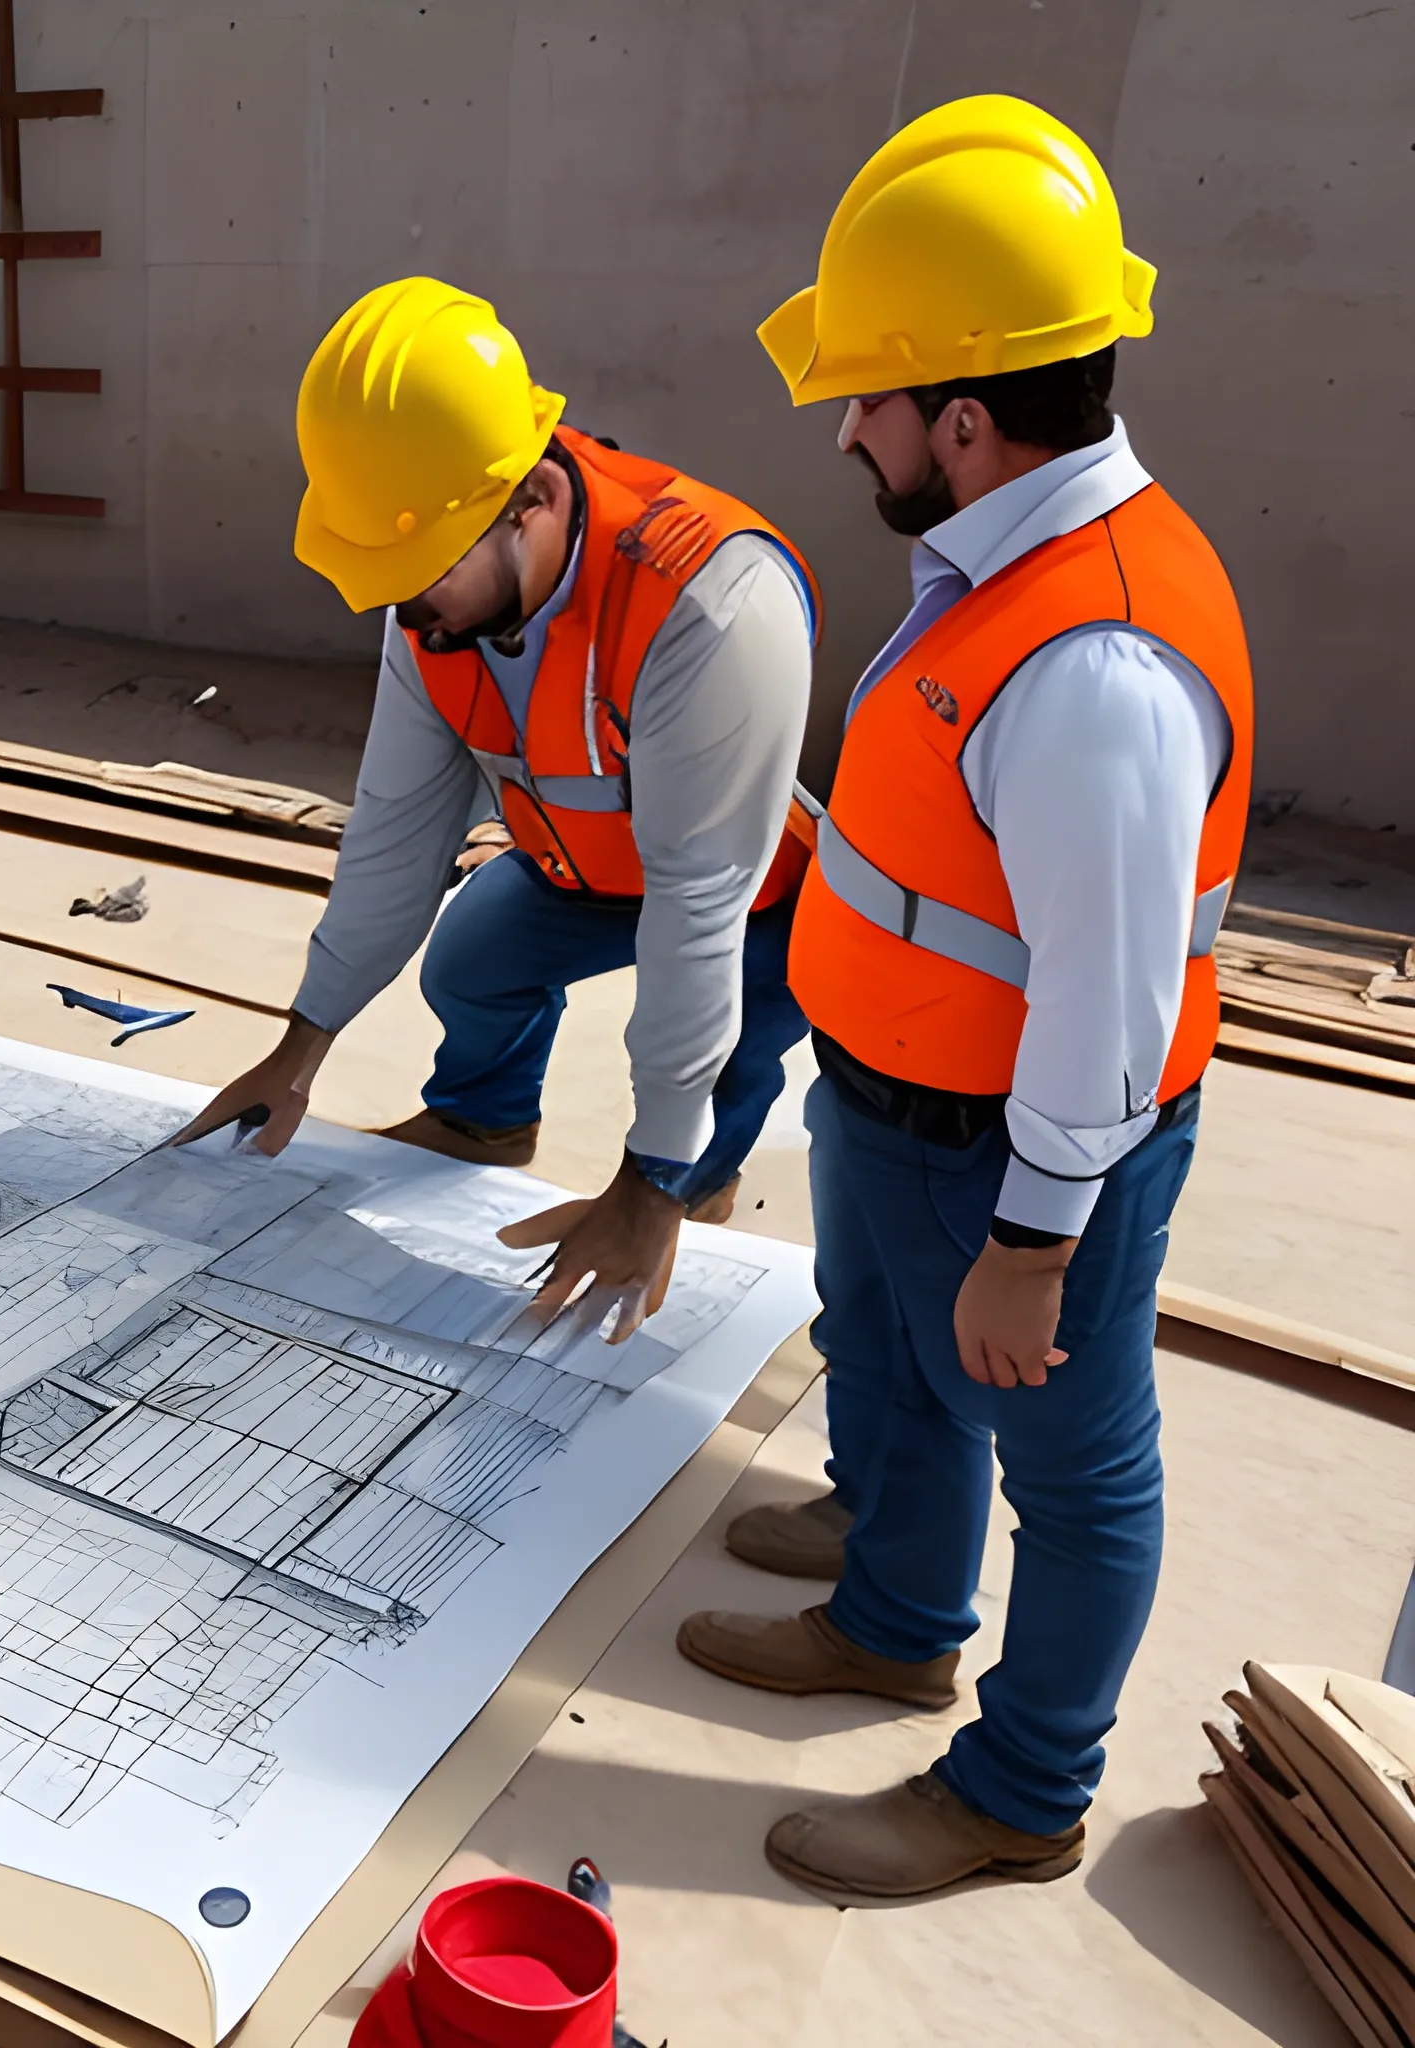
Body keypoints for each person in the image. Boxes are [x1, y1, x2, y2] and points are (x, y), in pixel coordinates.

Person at [677, 96, 1253, 1901]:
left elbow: (1100, 996)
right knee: (891, 1379)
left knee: (1070, 1474)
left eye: (864, 398)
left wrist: (1029, 1240)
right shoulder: (997, 572)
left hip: (1011, 1153)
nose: (844, 429)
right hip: (889, 1106)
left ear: (962, 417)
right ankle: (895, 1613)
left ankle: (1018, 1787)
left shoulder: (1092, 658)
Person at [173, 277, 817, 1340]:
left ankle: (694, 1181)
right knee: (470, 955)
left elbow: (698, 909)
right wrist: (298, 1053)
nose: (403, 608)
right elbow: (392, 836)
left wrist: (645, 1182)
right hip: (586, 865)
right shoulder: (427, 603)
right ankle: (484, 1121)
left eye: (418, 574)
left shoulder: (710, 600)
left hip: (756, 902)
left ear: (530, 503)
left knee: (717, 1050)